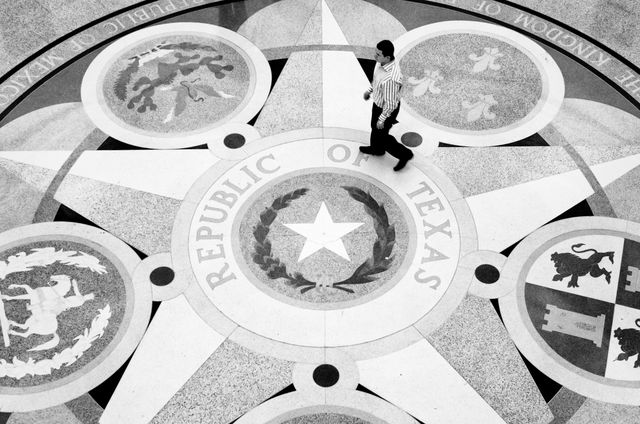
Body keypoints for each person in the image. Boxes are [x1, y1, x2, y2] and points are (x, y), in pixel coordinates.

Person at [360, 39, 414, 171]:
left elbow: (390, 104)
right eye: (376, 53)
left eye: (378, 54)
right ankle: (376, 149)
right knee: (375, 128)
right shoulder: (382, 64)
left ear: (387, 57)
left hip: (386, 109)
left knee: (382, 136)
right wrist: (370, 91)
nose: (375, 56)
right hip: (378, 103)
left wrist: (382, 119)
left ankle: (405, 155)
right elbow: (377, 80)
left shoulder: (391, 79)